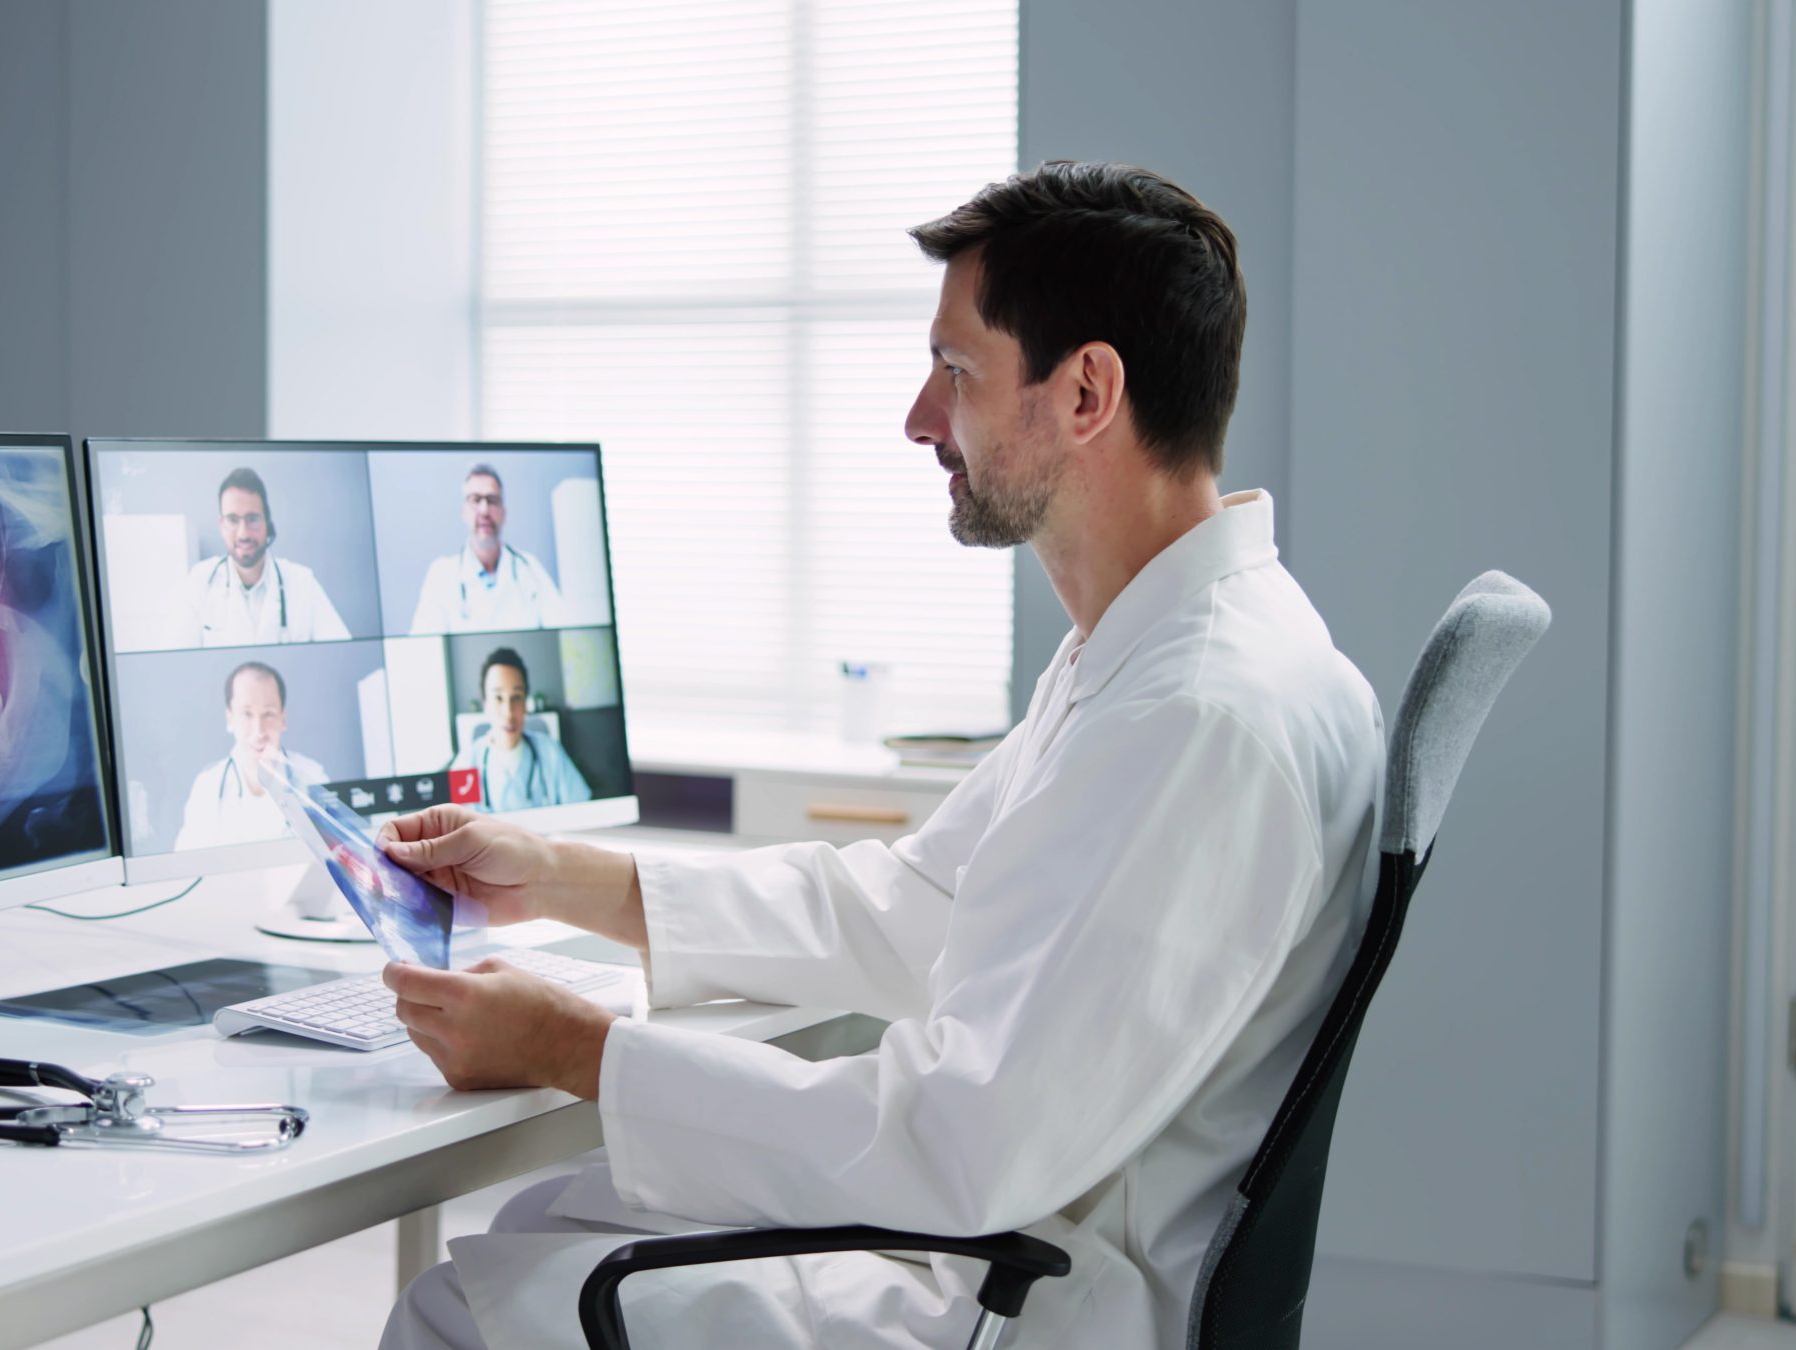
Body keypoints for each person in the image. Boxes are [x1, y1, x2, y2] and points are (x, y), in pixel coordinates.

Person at [374, 161, 1384, 1350]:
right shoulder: (1155, 650)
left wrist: (573, 1047)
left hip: (1032, 1298)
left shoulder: (1198, 715)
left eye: (955, 371)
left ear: (1085, 393)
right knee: (543, 1225)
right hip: (1016, 1233)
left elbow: (963, 1139)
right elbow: (916, 904)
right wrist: (560, 878)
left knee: (465, 1308)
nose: (919, 417)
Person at [185, 467, 352, 646]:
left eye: (252, 519)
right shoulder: (200, 581)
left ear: (267, 521)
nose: (243, 534)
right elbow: (174, 654)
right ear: (221, 524)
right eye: (233, 520)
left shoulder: (302, 582)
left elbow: (343, 650)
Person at [173, 661, 326, 851]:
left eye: (268, 714)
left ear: (283, 718)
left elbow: (336, 856)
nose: (258, 731)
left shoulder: (312, 777)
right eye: (247, 714)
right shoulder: (207, 787)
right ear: (230, 719)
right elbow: (186, 864)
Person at [407, 464, 570, 634]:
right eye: (475, 500)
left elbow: (566, 633)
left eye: (492, 500)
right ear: (464, 511)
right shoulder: (441, 575)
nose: (484, 510)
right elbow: (424, 644)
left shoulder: (530, 569)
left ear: (503, 513)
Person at [447, 647, 593, 812]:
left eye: (516, 697)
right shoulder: (465, 763)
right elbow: (458, 822)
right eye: (498, 698)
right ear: (485, 704)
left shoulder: (550, 752)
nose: (509, 712)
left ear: (525, 704)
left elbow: (583, 812)